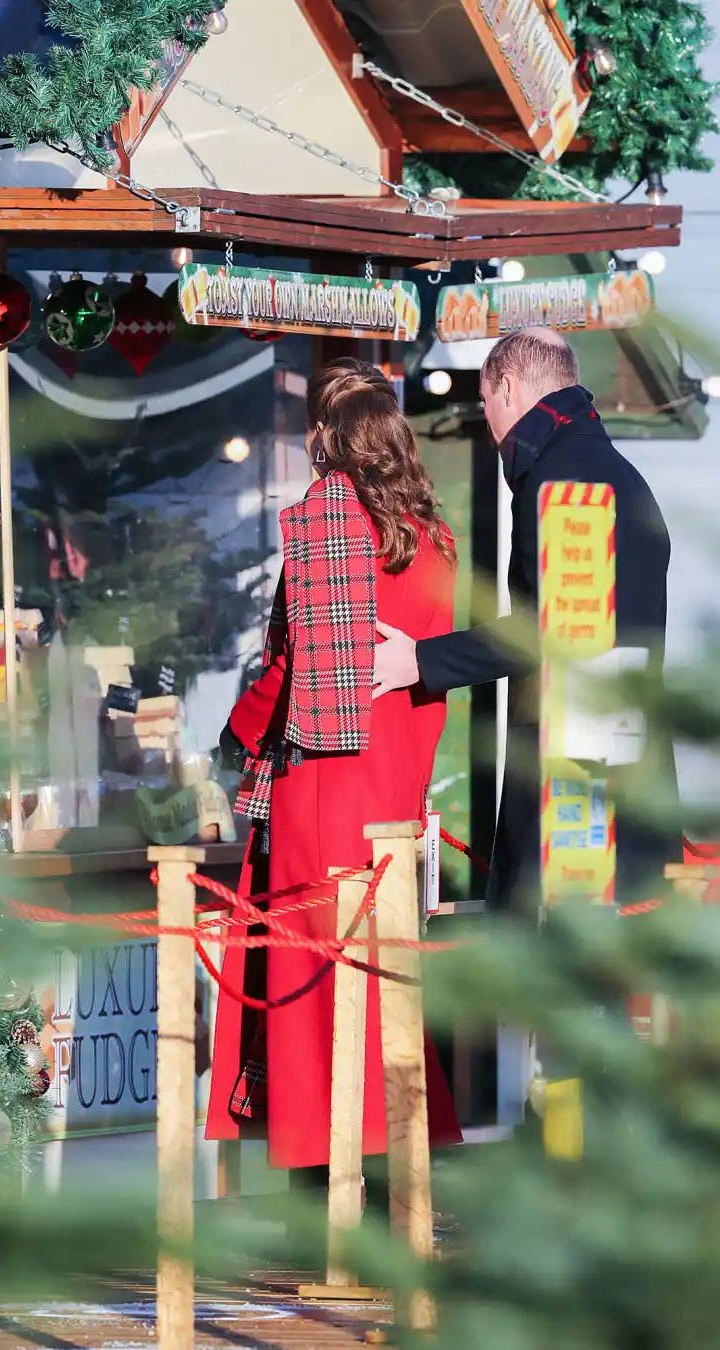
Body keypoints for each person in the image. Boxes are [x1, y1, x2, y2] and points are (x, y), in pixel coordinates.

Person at [206, 358, 463, 1199]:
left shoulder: (328, 529)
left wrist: (235, 735)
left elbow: (293, 669)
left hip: (323, 792)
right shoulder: (433, 541)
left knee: (314, 994)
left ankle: (325, 1194)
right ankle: (393, 1184)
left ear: (328, 441)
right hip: (395, 791)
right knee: (385, 989)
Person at [373, 328, 679, 915]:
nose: (486, 422)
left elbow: (554, 631)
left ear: (508, 388)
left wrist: (420, 660)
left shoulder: (567, 482)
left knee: (562, 991)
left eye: (484, 401)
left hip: (577, 802)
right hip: (619, 781)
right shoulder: (614, 472)